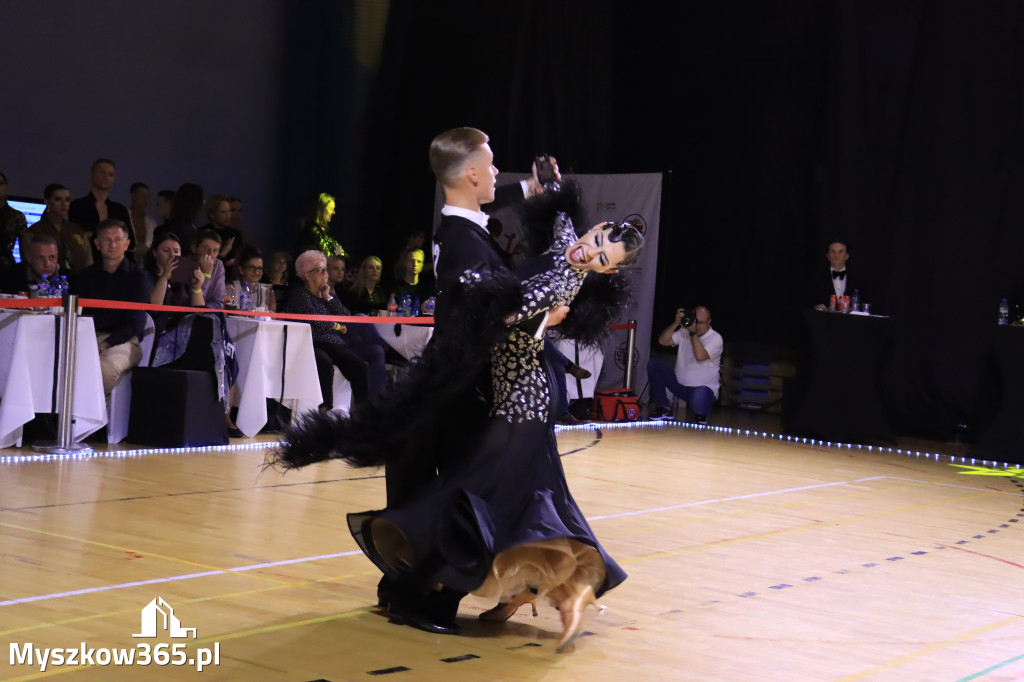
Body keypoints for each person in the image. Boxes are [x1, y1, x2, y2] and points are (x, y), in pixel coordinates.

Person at [270, 184, 643, 651]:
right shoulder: (565, 241)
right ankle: (490, 588)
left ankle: (431, 588)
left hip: (520, 405)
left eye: (602, 257)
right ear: (594, 227)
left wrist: (541, 318)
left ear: (607, 269)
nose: (589, 251)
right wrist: (543, 187)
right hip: (505, 396)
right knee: (501, 500)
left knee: (473, 497)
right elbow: (559, 218)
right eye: (597, 238)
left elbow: (511, 311)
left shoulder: (564, 279)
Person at [144, 231, 241, 437]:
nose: (172, 256)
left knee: (221, 340)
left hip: (190, 330)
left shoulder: (184, 278)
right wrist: (165, 277)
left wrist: (199, 285)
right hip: (163, 331)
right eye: (166, 251)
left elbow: (201, 309)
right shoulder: (147, 275)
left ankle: (222, 415)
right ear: (155, 253)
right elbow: (154, 308)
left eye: (176, 251)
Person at [287, 250, 388, 408]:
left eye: (326, 269)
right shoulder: (301, 294)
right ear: (306, 274)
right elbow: (317, 321)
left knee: (360, 367)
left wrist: (329, 297)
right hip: (313, 343)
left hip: (334, 343)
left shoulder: (325, 293)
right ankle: (324, 410)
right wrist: (337, 325)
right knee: (325, 362)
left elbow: (346, 315)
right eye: (321, 270)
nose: (325, 274)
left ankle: (364, 414)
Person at [70, 219, 149, 396]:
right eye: (106, 240)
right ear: (97, 244)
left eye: (118, 239)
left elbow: (135, 323)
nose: (112, 244)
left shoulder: (138, 277)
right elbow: (76, 314)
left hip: (124, 341)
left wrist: (105, 345)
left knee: (103, 370)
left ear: (127, 243)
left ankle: (92, 420)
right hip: (86, 338)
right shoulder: (85, 276)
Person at [647, 306, 723, 424]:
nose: (696, 325)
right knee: (654, 364)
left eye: (700, 322)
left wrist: (693, 333)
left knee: (699, 398)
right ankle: (664, 408)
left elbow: (700, 356)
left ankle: (701, 414)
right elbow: (663, 341)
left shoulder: (715, 338)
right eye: (695, 321)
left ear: (709, 322)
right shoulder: (685, 332)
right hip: (680, 385)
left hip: (703, 389)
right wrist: (676, 323)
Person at [20, 183, 93, 273]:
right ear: (47, 202)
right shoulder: (34, 231)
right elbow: (29, 263)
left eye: (67, 200)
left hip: (78, 281)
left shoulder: (76, 230)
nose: (64, 204)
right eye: (58, 199)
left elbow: (88, 261)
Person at [68, 159, 135, 251]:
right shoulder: (77, 205)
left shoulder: (119, 209)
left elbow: (131, 241)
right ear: (92, 175)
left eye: (110, 175)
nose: (106, 177)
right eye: (102, 173)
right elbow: (74, 237)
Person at [170, 230, 227, 309]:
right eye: (205, 248)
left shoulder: (218, 265)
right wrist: (206, 274)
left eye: (215, 250)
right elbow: (191, 304)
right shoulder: (183, 265)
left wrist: (206, 311)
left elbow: (218, 302)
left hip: (210, 315)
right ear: (194, 248)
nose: (210, 254)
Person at [810, 239, 856, 310]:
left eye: (840, 251)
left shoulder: (857, 279)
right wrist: (815, 307)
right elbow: (807, 301)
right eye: (833, 251)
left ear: (847, 256)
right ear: (828, 256)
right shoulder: (816, 278)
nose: (836, 255)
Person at [297, 192, 345, 257]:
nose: (334, 212)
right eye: (331, 209)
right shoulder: (311, 232)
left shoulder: (330, 233)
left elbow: (339, 251)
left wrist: (340, 257)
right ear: (322, 210)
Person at [0, 170, 28, 268]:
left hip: (6, 268)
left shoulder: (17, 216)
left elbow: (24, 249)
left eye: (0, 184)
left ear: (6, 188)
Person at [128, 182, 157, 257]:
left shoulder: (151, 223)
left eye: (148, 197)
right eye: (143, 196)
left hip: (146, 261)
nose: (146, 200)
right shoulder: (123, 217)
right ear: (133, 196)